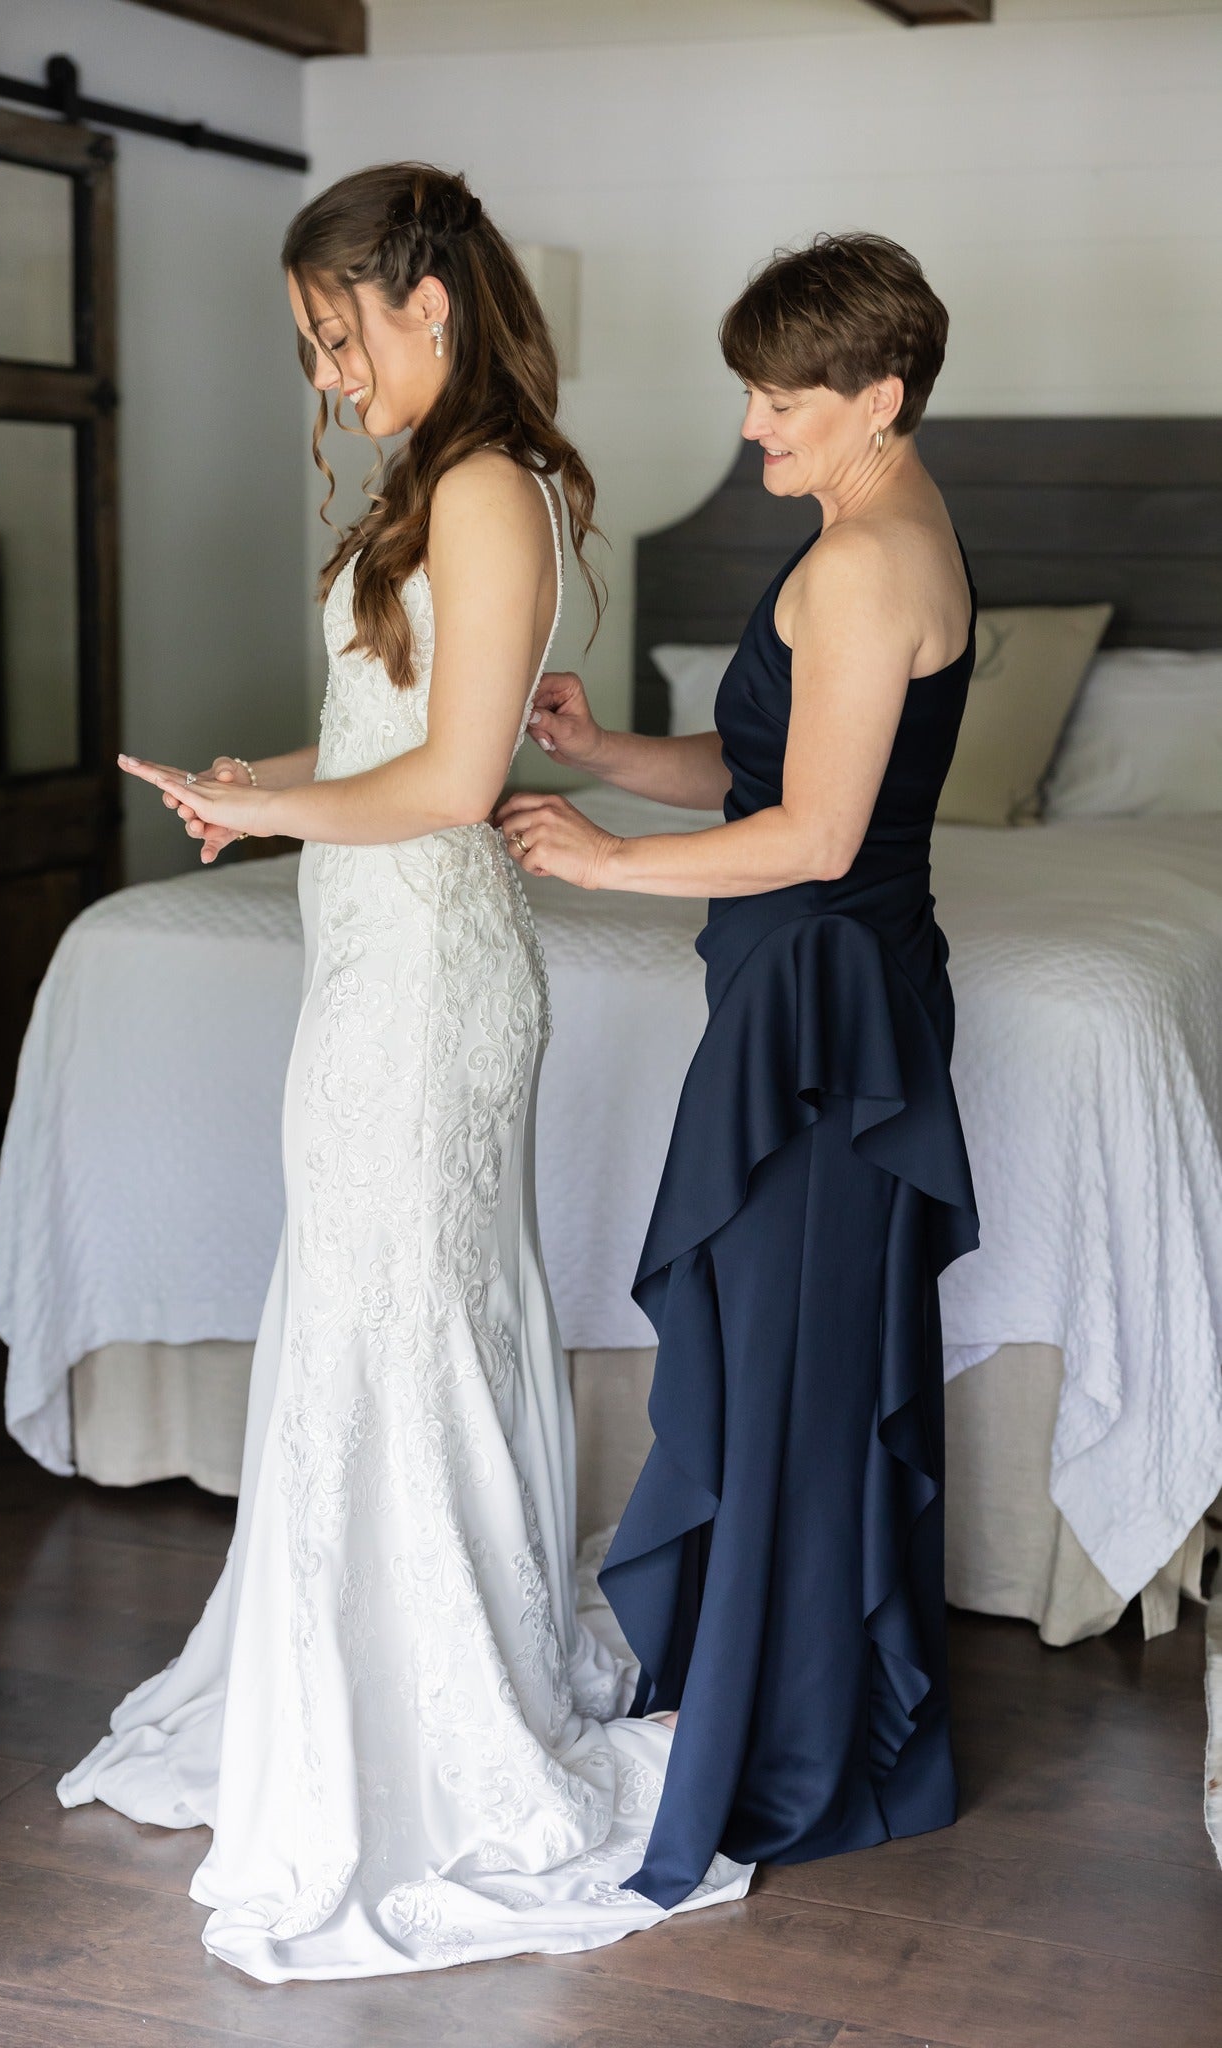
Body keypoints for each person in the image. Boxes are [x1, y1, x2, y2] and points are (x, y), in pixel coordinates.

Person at [57, 163, 751, 1981]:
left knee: (406, 1321)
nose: (326, 375)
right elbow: (391, 733)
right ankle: (355, 1676)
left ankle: (433, 1718)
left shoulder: (491, 488)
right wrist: (258, 780)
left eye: (335, 334)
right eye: (309, 346)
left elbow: (452, 791)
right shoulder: (429, 487)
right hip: (364, 972)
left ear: (428, 305)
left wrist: (284, 809)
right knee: (362, 1314)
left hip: (432, 988)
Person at [496, 231, 981, 1909]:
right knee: (791, 1368)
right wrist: (613, 761)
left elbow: (820, 829)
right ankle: (791, 1699)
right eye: (751, 395)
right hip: (820, 995)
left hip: (820, 1021)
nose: (753, 428)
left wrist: (595, 863)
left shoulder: (862, 563)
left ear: (878, 398)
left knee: (788, 1377)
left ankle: (782, 1750)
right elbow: (767, 760)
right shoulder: (866, 529)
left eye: (781, 400)